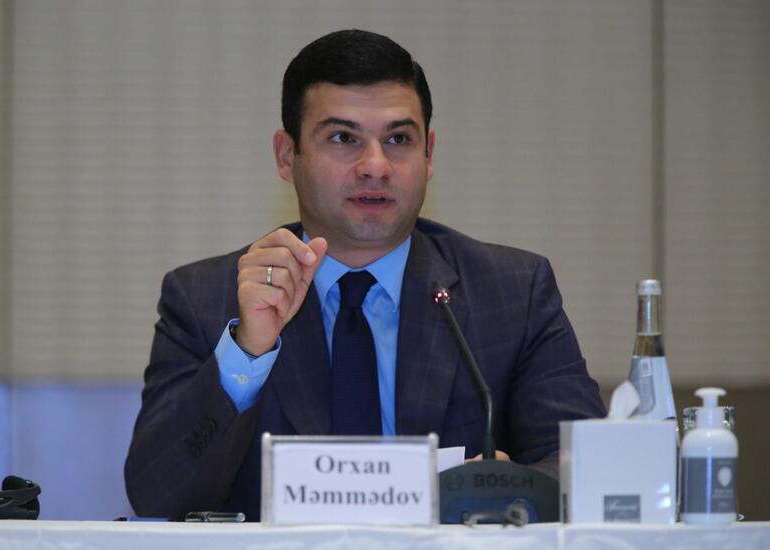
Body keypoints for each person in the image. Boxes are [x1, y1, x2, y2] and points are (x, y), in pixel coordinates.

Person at [125, 29, 606, 521]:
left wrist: (511, 486)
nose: (375, 166)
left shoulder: (512, 291)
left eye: (398, 139)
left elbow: (589, 469)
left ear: (428, 154)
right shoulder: (207, 298)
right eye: (343, 138)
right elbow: (158, 495)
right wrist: (247, 351)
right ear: (287, 156)